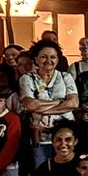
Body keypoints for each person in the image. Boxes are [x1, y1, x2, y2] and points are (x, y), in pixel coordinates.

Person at [19, 39, 79, 168]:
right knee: (42, 171)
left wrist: (40, 109)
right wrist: (60, 102)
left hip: (65, 135)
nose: (48, 60)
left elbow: (73, 103)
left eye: (53, 57)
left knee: (67, 169)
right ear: (36, 58)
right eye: (44, 57)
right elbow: (30, 105)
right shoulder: (27, 79)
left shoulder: (66, 77)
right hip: (40, 135)